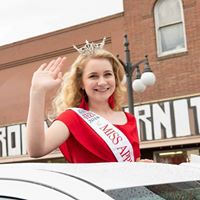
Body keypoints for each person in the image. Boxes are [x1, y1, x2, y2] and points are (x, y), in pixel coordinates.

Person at [26, 37, 149, 163]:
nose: (102, 82)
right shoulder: (72, 118)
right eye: (93, 76)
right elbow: (36, 150)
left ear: (115, 79)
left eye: (107, 74)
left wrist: (140, 165)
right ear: (81, 83)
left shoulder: (128, 119)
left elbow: (131, 163)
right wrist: (37, 92)